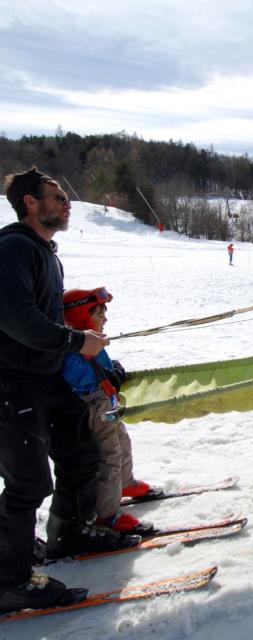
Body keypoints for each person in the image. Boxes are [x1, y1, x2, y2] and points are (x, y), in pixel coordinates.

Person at [0, 168, 138, 615]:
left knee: (81, 454)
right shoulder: (13, 247)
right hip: (11, 380)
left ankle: (68, 532)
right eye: (55, 196)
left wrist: (81, 349)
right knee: (27, 482)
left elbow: (47, 315)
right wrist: (78, 341)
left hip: (48, 376)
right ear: (29, 203)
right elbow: (17, 316)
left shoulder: (45, 251)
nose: (66, 202)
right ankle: (9, 581)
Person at [62, 287, 159, 535]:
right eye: (99, 313)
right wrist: (111, 377)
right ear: (82, 316)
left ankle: (125, 484)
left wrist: (114, 370)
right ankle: (106, 514)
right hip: (96, 406)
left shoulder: (90, 338)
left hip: (108, 404)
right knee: (109, 456)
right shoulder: (73, 346)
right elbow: (78, 377)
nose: (105, 319)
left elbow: (103, 366)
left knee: (122, 441)